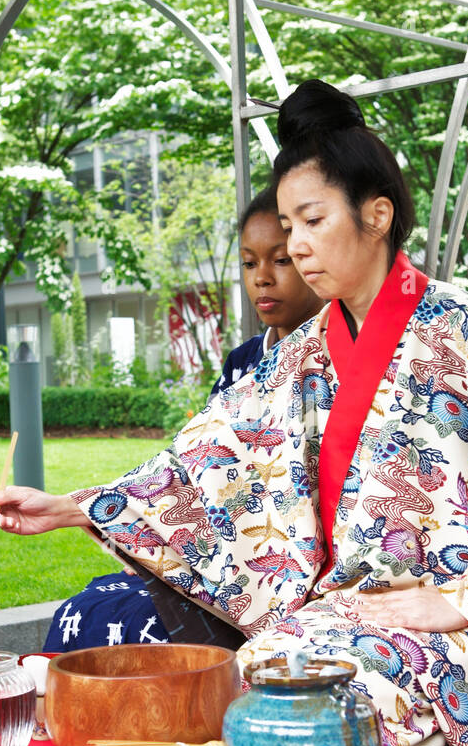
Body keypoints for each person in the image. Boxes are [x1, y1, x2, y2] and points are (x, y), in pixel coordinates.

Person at [0, 81, 468, 746]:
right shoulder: (305, 352)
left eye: (312, 221)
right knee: (261, 679)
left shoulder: (461, 328)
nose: (294, 246)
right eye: (288, 225)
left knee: (307, 703)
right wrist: (76, 506)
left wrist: (467, 599)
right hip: (341, 610)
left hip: (458, 622)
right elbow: (209, 459)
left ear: (376, 215)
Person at [41, 185, 321, 651]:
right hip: (220, 546)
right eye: (250, 264)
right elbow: (199, 466)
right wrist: (126, 522)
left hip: (289, 563)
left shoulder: (338, 358)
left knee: (155, 637)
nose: (263, 279)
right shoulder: (243, 361)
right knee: (85, 610)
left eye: (282, 260)